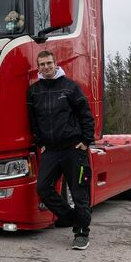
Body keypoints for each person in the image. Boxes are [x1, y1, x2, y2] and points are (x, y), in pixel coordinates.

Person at [27, 50, 95, 250]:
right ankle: (74, 218)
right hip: (51, 150)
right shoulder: (33, 91)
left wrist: (86, 140)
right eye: (42, 64)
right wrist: (41, 142)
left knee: (79, 192)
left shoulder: (70, 86)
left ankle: (81, 233)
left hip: (73, 149)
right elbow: (33, 121)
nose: (46, 67)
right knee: (43, 188)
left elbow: (85, 114)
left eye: (49, 63)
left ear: (55, 64)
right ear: (38, 67)